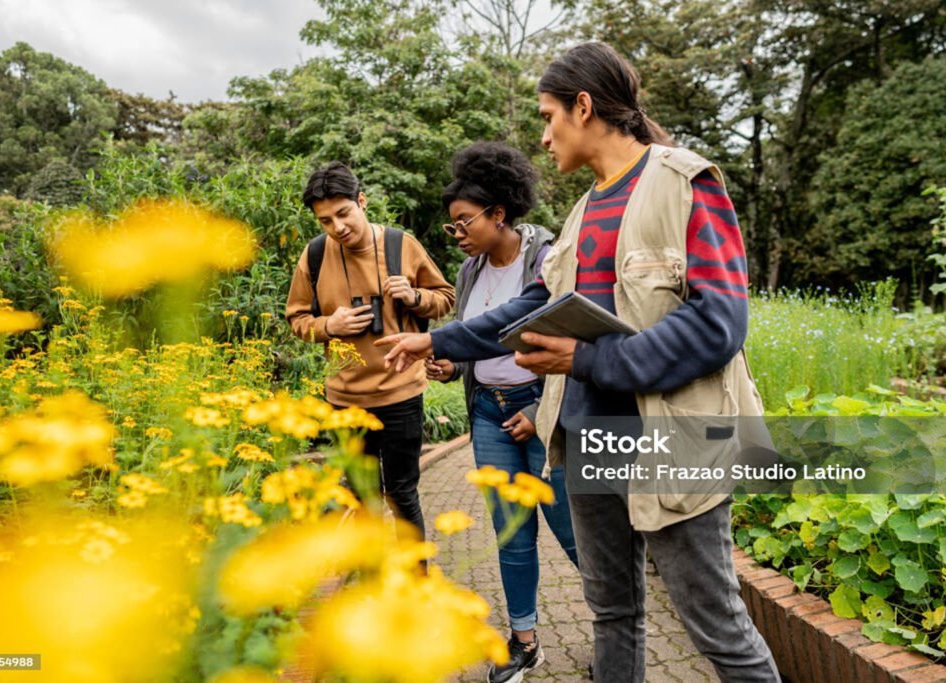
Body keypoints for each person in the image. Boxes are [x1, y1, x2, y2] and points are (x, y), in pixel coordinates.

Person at [378, 43, 780, 682]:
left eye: (547, 116)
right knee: (612, 612)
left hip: (673, 442)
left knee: (717, 627)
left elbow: (718, 325)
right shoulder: (582, 211)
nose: (542, 136)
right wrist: (438, 341)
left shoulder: (684, 184)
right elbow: (535, 304)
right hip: (588, 436)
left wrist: (588, 357)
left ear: (584, 107)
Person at [426, 141, 579, 683]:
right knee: (512, 533)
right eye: (453, 227)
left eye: (465, 222)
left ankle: (617, 627)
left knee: (571, 531)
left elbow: (567, 335)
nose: (459, 234)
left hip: (542, 411)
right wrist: (451, 365)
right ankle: (525, 642)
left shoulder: (547, 259)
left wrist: (538, 407)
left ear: (499, 213)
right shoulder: (471, 271)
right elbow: (479, 338)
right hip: (489, 415)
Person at [286, 161, 455, 539]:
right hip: (345, 402)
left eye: (343, 214)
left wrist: (414, 296)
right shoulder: (313, 256)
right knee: (363, 502)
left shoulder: (400, 245)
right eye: (325, 221)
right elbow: (296, 318)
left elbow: (446, 298)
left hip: (400, 394)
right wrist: (330, 325)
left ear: (361, 201)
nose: (338, 227)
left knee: (402, 496)